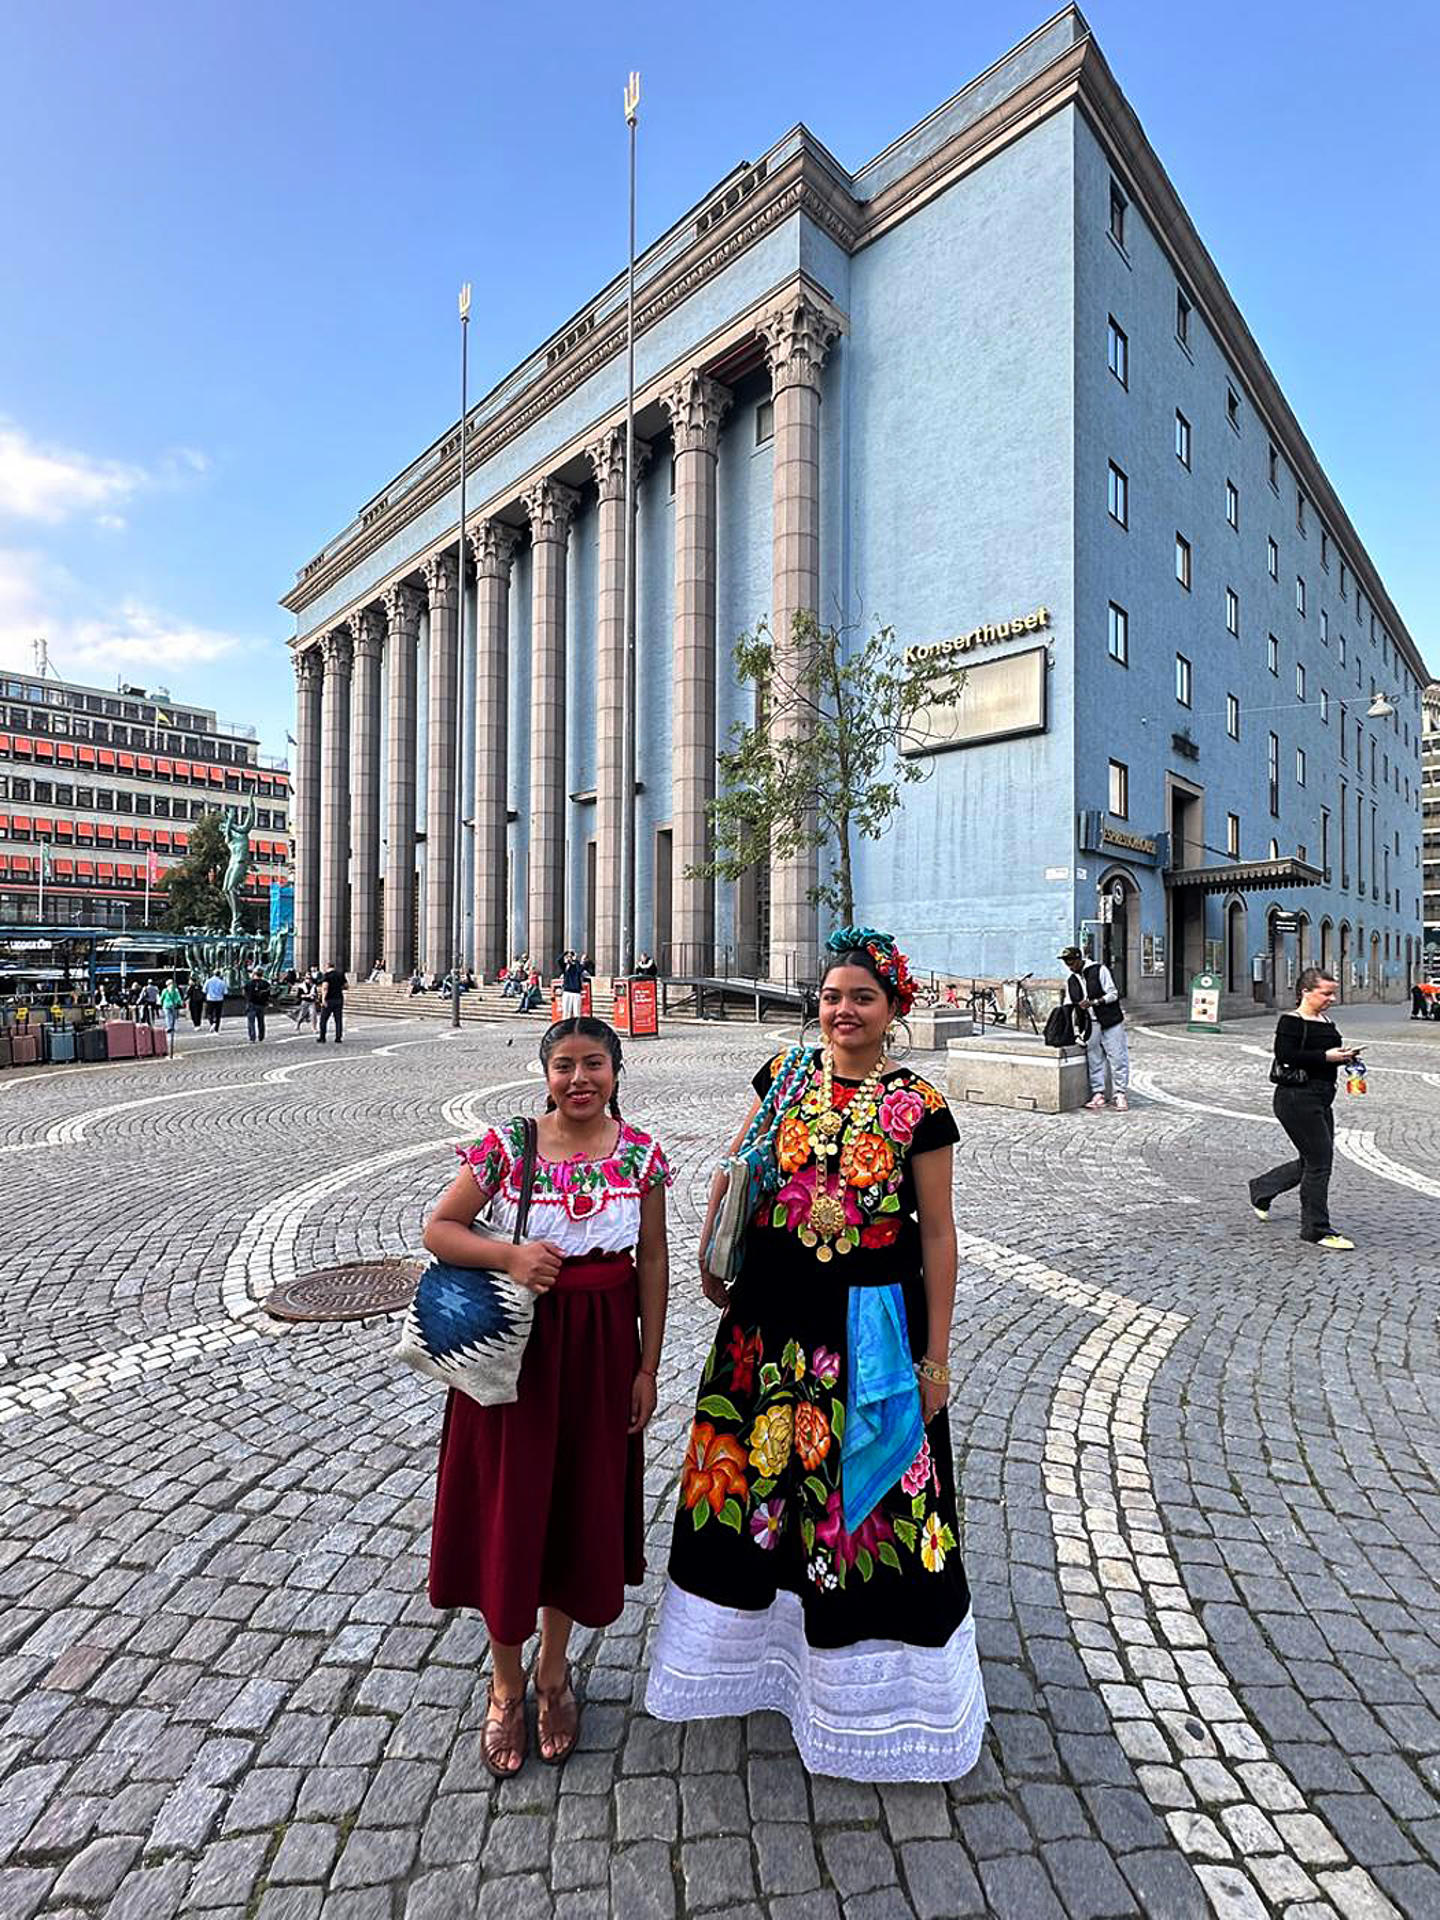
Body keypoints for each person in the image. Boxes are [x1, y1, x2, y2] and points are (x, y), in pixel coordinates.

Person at [646, 927, 987, 1783]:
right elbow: (738, 1165)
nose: (843, 1011)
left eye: (862, 998)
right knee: (765, 1485)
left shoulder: (920, 1105)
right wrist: (713, 1245)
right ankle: (758, 1659)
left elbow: (938, 1233)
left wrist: (935, 1358)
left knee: (864, 1500)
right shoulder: (785, 1075)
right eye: (833, 996)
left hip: (870, 1326)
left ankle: (868, 1693)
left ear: (894, 1009)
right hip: (768, 1321)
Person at [425, 1017, 670, 1775]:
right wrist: (510, 1253)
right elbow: (440, 1228)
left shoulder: (642, 1155)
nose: (579, 1080)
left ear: (616, 1071)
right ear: (546, 1074)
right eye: (564, 1066)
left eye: (593, 1064)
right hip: (514, 1357)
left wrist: (647, 1367)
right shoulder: (507, 1147)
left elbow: (653, 1260)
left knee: (574, 1508)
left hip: (600, 1355)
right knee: (510, 1509)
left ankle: (554, 1673)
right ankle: (504, 1686)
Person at [1249, 966, 1362, 1250]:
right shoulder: (1291, 1022)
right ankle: (1316, 1229)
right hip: (1296, 1098)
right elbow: (1285, 1056)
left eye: (1333, 993)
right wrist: (1326, 1056)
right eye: (1326, 993)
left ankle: (1263, 1188)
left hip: (1323, 1097)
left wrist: (1345, 1058)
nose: (1332, 999)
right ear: (1306, 992)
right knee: (1320, 1162)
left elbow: (1323, 1056)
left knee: (1313, 1159)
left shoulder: (1325, 1020)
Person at [1060, 946, 1130, 1112]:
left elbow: (1113, 993)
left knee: (1117, 1056)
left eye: (1072, 962)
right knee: (1094, 1058)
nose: (1070, 966)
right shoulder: (1071, 981)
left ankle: (1120, 1094)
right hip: (1090, 1024)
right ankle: (1098, 1094)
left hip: (1110, 1020)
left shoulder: (1099, 970)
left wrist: (1094, 1002)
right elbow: (1069, 1003)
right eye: (1066, 963)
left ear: (1079, 959)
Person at [317, 963, 346, 1043]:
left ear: (327, 967)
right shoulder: (340, 974)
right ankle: (338, 1037)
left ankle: (322, 1037)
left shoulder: (326, 976)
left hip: (329, 999)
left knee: (323, 1019)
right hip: (339, 998)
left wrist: (323, 999)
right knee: (338, 1019)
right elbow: (346, 986)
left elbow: (325, 987)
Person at [558, 951, 590, 1021]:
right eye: (568, 957)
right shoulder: (565, 967)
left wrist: (575, 960)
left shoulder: (577, 966)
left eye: (571, 957)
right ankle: (566, 1028)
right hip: (567, 991)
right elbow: (559, 960)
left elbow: (580, 970)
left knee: (577, 1013)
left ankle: (576, 1028)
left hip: (576, 993)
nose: (569, 958)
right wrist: (566, 953)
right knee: (566, 1013)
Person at [244, 968, 271, 1043]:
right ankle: (261, 1036)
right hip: (261, 1005)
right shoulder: (266, 984)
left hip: (251, 1004)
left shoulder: (249, 983)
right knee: (261, 1021)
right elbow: (268, 994)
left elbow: (245, 993)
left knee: (251, 1022)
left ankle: (252, 1037)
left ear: (254, 974)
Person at [160, 978, 184, 1054]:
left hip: (166, 1005)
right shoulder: (175, 990)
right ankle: (173, 1027)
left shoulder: (165, 990)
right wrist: (180, 1003)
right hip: (173, 1005)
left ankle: (169, 1027)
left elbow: (162, 998)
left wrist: (160, 1003)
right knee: (173, 1016)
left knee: (168, 1017)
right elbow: (178, 998)